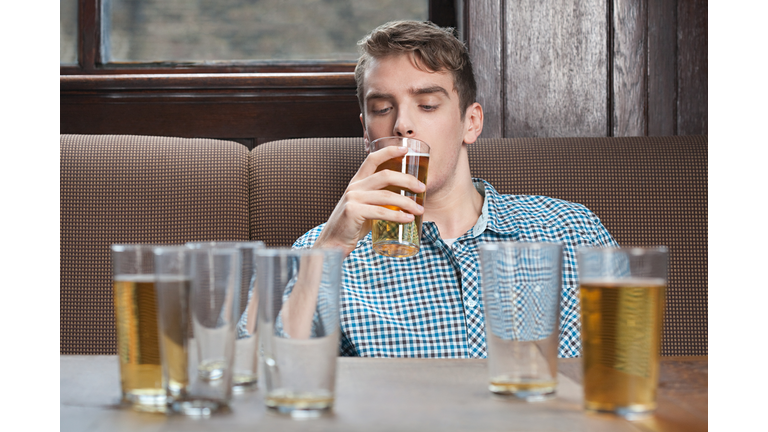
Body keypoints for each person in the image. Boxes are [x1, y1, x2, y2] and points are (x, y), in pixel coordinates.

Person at [293, 20, 618, 358]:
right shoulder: (322, 251)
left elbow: (629, 367)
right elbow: (255, 375)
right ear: (366, 132)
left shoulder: (574, 231)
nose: (402, 124)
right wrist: (328, 250)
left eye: (428, 104)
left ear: (470, 122)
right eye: (382, 109)